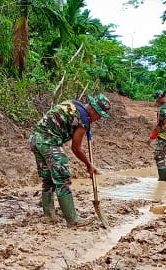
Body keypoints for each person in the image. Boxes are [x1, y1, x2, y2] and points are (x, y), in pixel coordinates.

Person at [30, 94, 112, 225]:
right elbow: (76, 148)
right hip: (49, 141)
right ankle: (72, 219)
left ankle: (49, 215)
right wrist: (88, 164)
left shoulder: (74, 104)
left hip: (35, 139)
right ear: (93, 109)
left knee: (48, 178)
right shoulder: (83, 119)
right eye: (100, 115)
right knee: (62, 177)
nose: (99, 118)